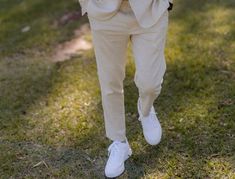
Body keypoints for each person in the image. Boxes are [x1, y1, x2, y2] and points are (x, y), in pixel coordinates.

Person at [78, 0, 173, 178]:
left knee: (150, 82)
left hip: (151, 8)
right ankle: (119, 142)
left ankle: (145, 110)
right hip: (105, 12)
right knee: (109, 81)